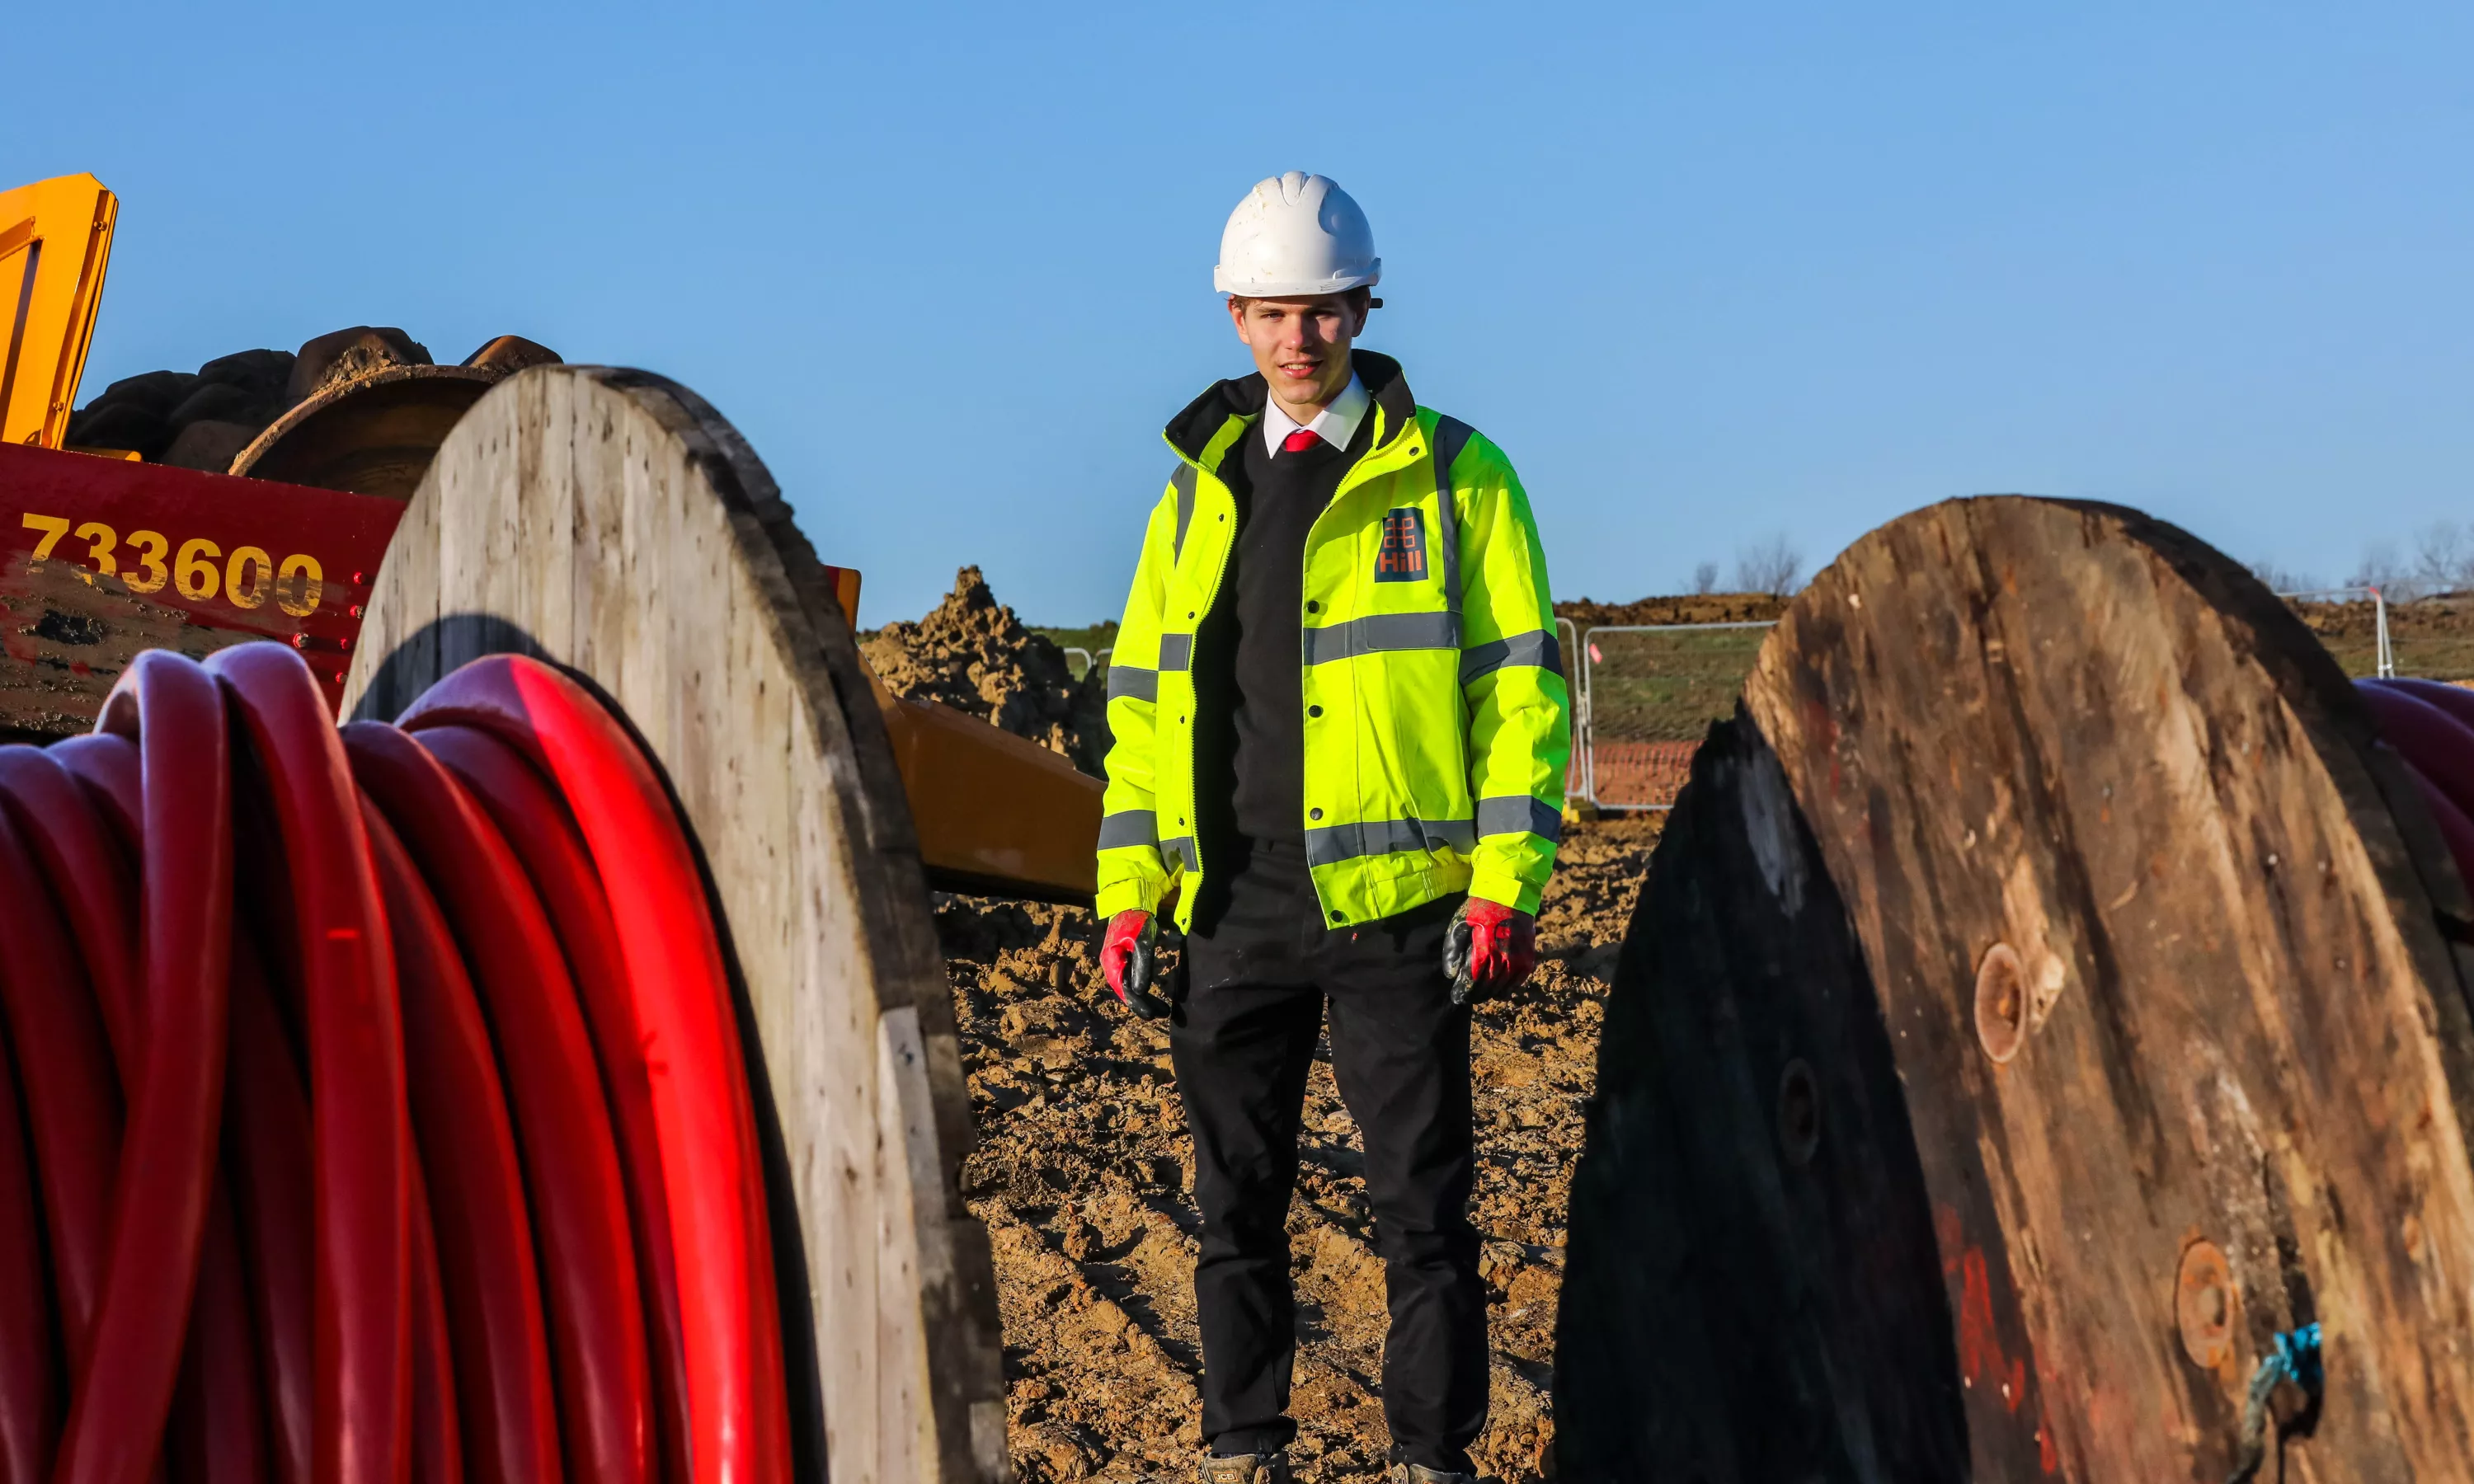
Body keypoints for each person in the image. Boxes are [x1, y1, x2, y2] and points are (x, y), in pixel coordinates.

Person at [1092, 171, 1569, 1484]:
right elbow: (1140, 710)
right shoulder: (1190, 495)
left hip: (1399, 912)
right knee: (1231, 1209)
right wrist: (1129, 893)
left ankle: (1433, 1459)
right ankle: (1244, 1450)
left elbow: (1520, 695)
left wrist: (1504, 886)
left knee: (1424, 1213)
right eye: (1273, 314)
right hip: (1230, 911)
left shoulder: (1459, 477)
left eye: (1324, 313)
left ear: (1364, 310)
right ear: (1238, 319)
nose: (1299, 340)